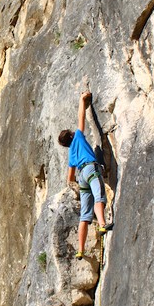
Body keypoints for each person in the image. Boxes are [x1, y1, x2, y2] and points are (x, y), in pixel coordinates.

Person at [58, 91, 108, 258]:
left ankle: (80, 250)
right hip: (90, 168)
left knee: (84, 216)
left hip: (81, 177)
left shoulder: (71, 154)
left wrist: (76, 187)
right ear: (71, 135)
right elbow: (81, 117)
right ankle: (102, 224)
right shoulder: (78, 137)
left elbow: (69, 178)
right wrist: (82, 100)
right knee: (99, 196)